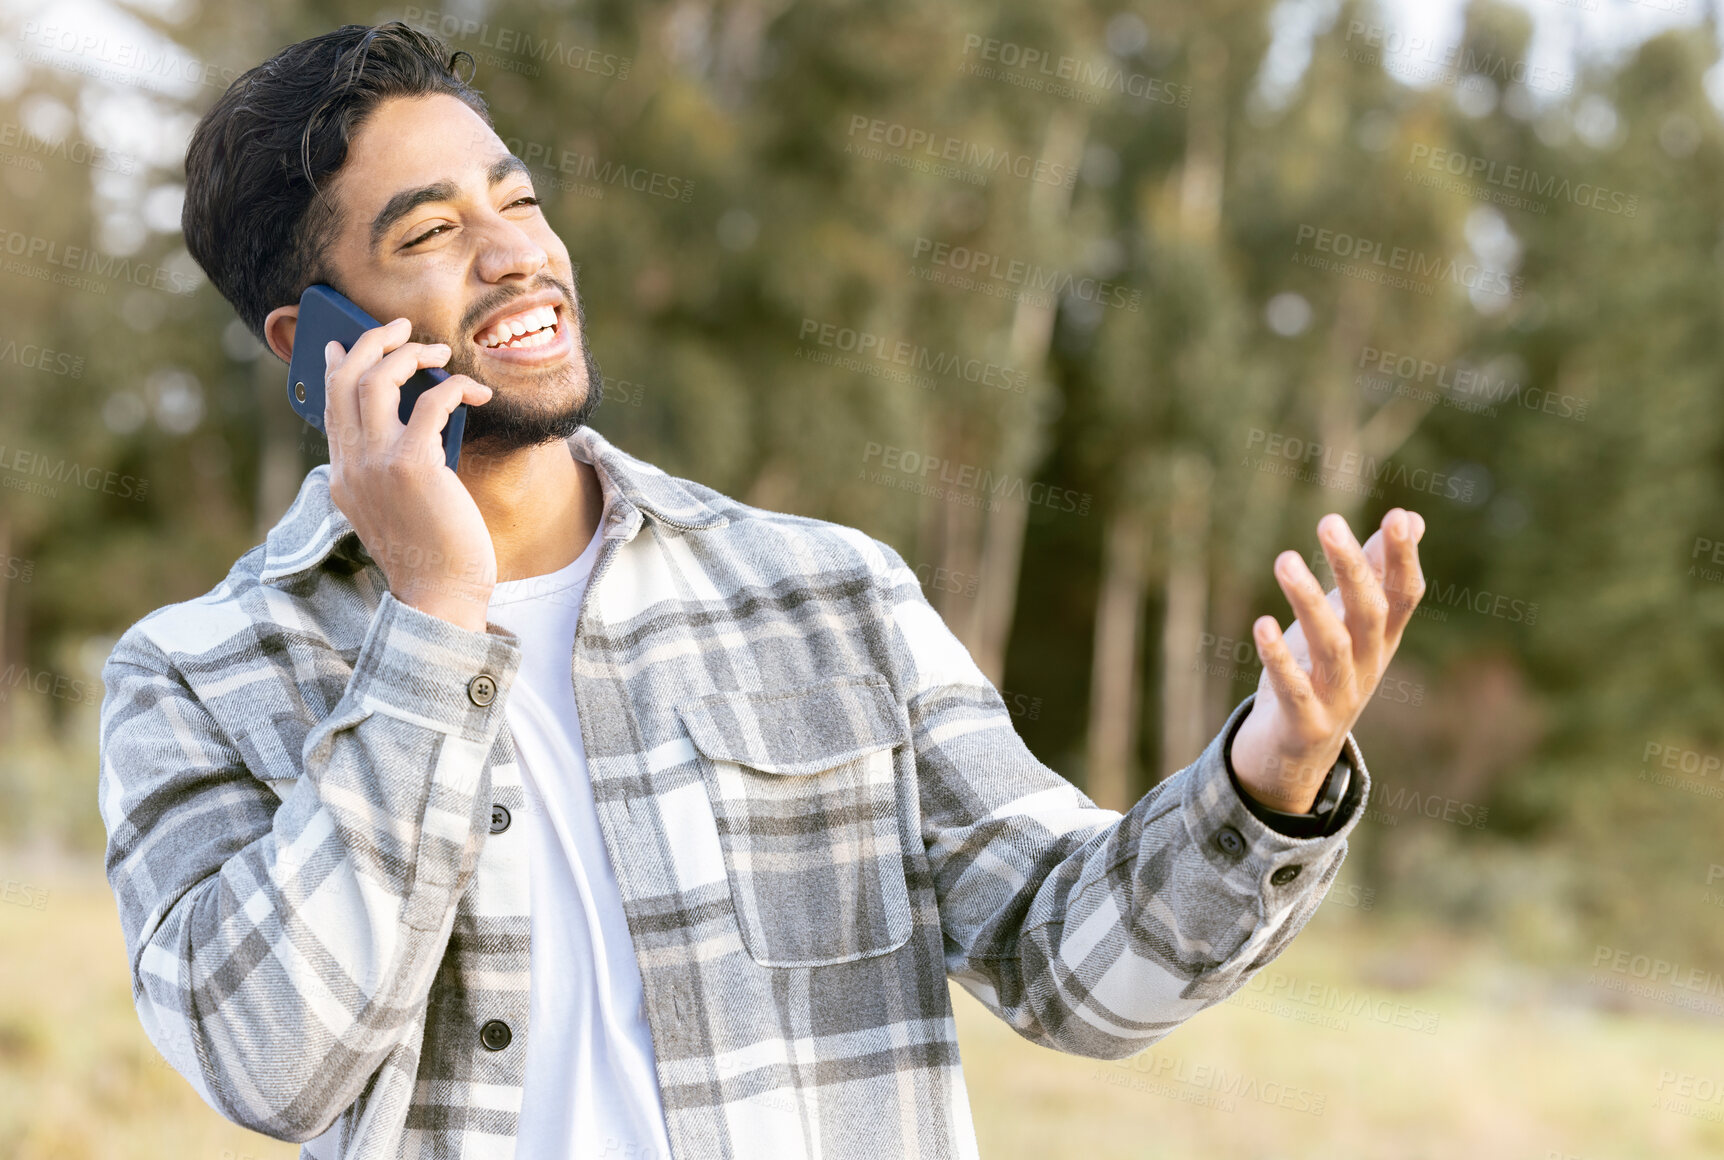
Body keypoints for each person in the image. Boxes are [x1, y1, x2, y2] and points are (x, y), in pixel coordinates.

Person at [97, 21, 1427, 1160]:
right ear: (315, 342)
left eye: (520, 199)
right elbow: (269, 1061)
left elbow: (1075, 970)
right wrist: (433, 618)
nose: (517, 256)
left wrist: (1270, 775)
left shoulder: (825, 597)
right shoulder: (196, 674)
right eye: (434, 232)